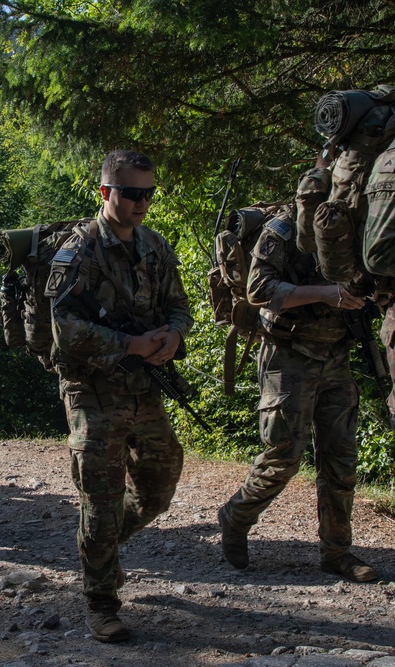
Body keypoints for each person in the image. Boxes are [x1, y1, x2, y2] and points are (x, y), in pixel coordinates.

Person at [43, 149, 193, 643]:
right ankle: (101, 601)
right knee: (101, 494)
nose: (142, 202)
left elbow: (178, 305)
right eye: (132, 193)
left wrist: (172, 335)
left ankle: (99, 542)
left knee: (160, 480)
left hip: (141, 384)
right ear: (106, 192)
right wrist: (128, 344)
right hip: (92, 387)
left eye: (148, 193)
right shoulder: (80, 250)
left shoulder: (154, 245)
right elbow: (63, 328)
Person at [218, 207, 377, 584]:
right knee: (284, 456)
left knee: (341, 459)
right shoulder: (284, 228)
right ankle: (236, 515)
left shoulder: (365, 225)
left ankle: (336, 552)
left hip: (336, 355)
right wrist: (327, 294)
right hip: (288, 354)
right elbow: (259, 289)